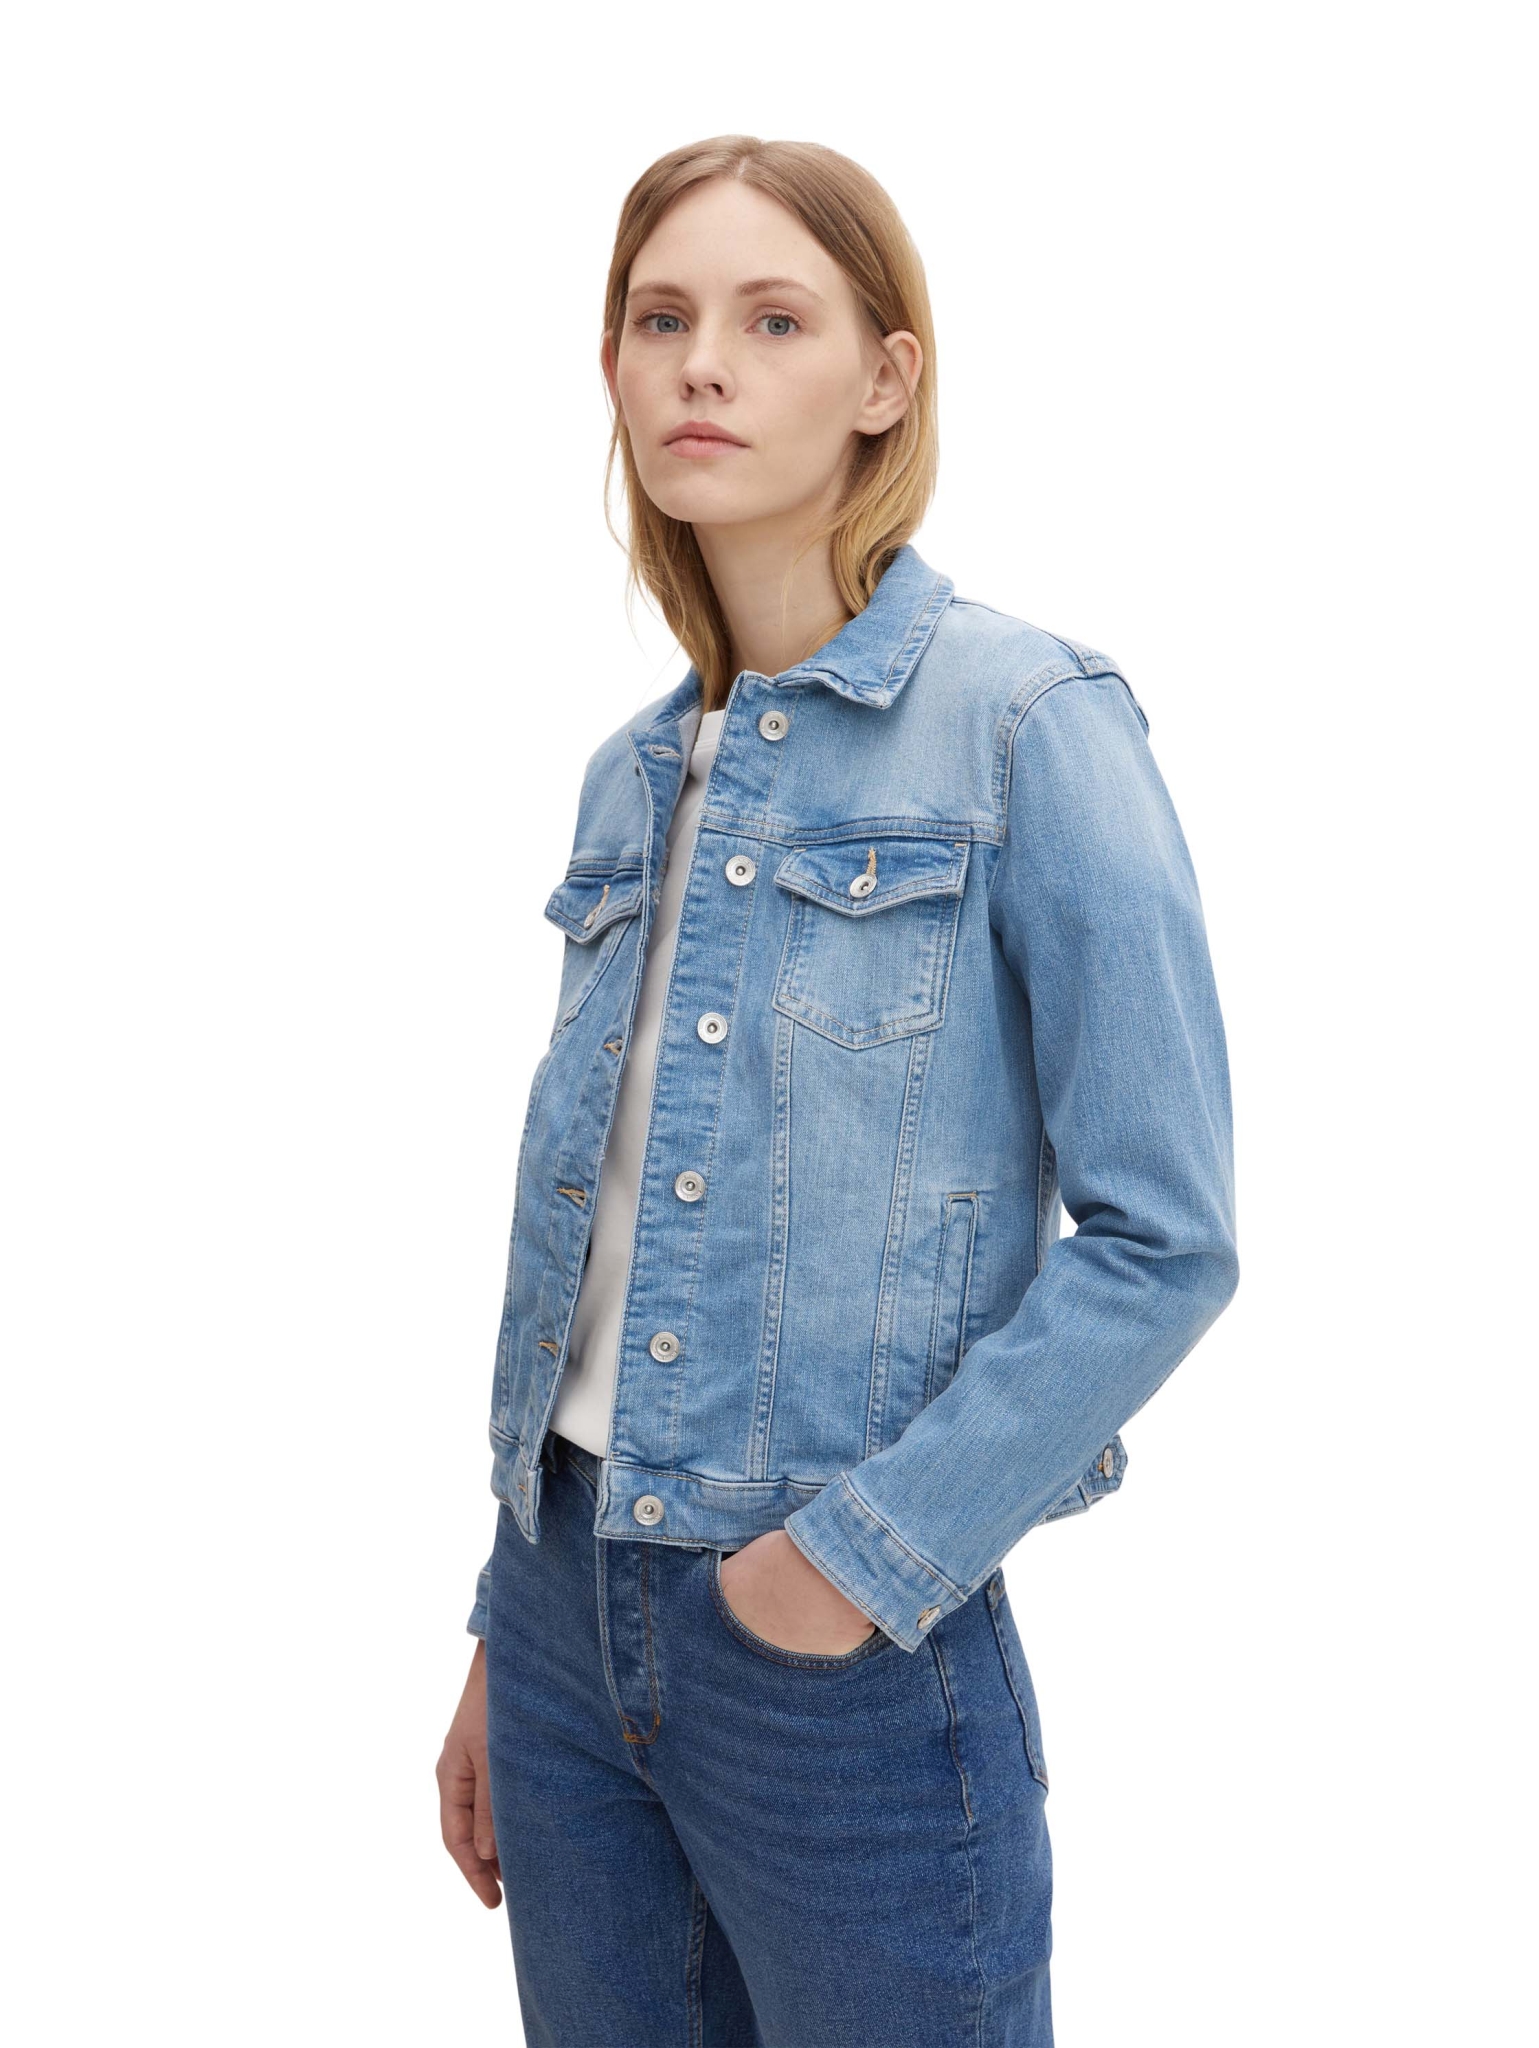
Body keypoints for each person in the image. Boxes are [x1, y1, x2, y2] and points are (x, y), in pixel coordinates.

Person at [435, 134, 1238, 2047]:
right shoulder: (630, 778)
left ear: (886, 378)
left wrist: (848, 1569)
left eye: (772, 320)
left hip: (838, 1652)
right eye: (660, 320)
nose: (702, 364)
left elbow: (1165, 1236)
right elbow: (598, 1253)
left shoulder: (1030, 725)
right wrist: (504, 1619)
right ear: (613, 371)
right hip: (560, 1626)